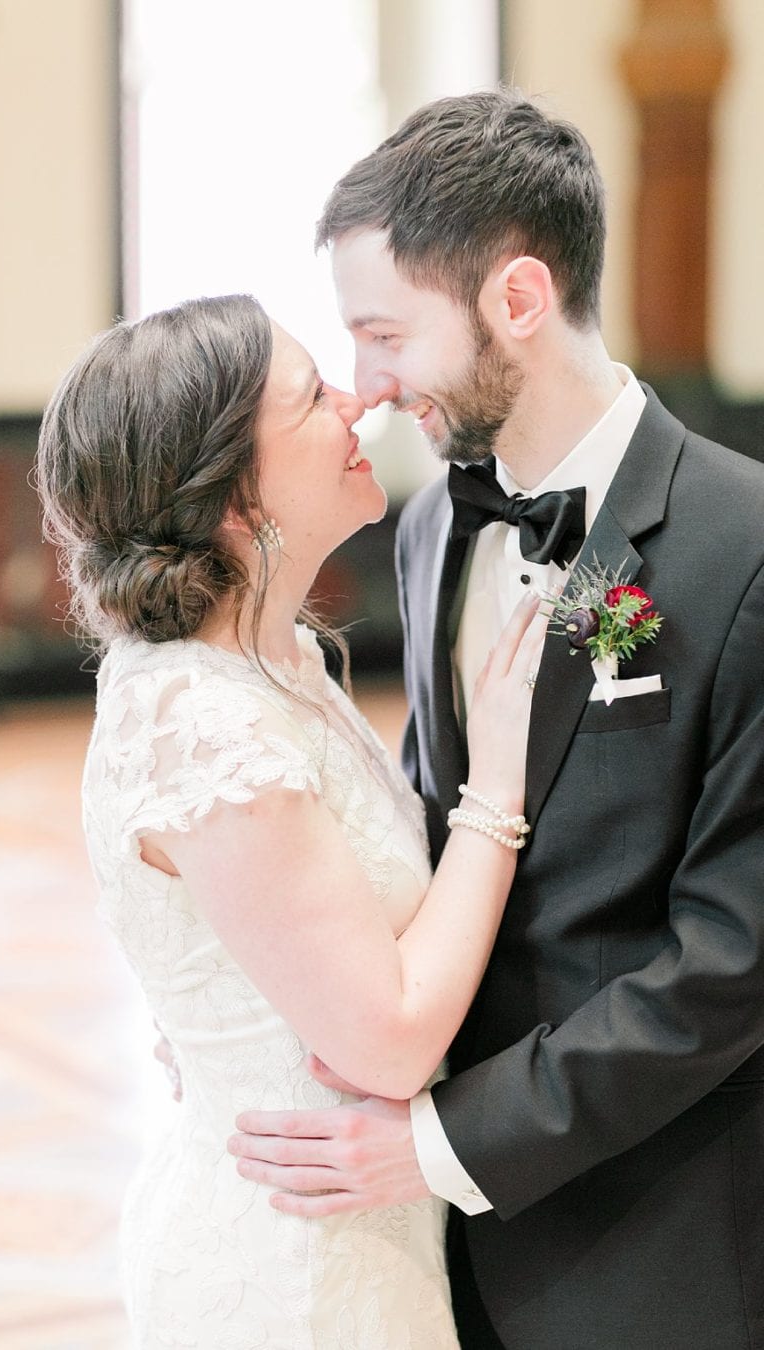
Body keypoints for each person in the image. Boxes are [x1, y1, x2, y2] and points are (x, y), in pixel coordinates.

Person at [228, 89, 764, 1349]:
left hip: (652, 1229)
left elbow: (734, 962)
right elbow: (419, 835)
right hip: (423, 1238)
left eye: (384, 335)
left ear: (516, 302)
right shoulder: (426, 532)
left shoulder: (745, 550)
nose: (364, 387)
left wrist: (446, 1142)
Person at [36, 292, 546, 1347]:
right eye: (314, 396)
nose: (361, 403)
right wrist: (498, 782)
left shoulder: (278, 660)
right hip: (293, 1280)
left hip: (361, 1234)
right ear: (235, 493)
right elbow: (393, 1043)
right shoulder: (198, 719)